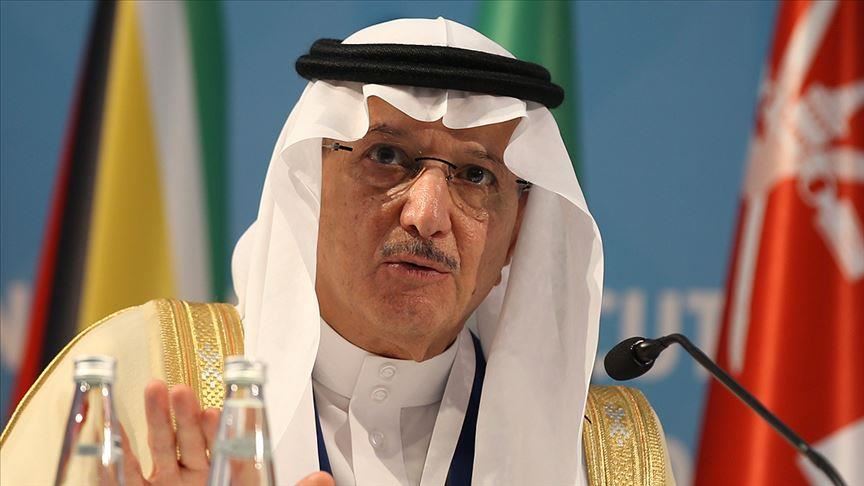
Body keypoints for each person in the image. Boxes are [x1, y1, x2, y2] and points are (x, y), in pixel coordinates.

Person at [0, 18, 674, 485]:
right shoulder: (135, 383)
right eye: (387, 157)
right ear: (307, 190)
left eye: (475, 175)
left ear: (516, 234)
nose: (427, 215)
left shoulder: (605, 461)